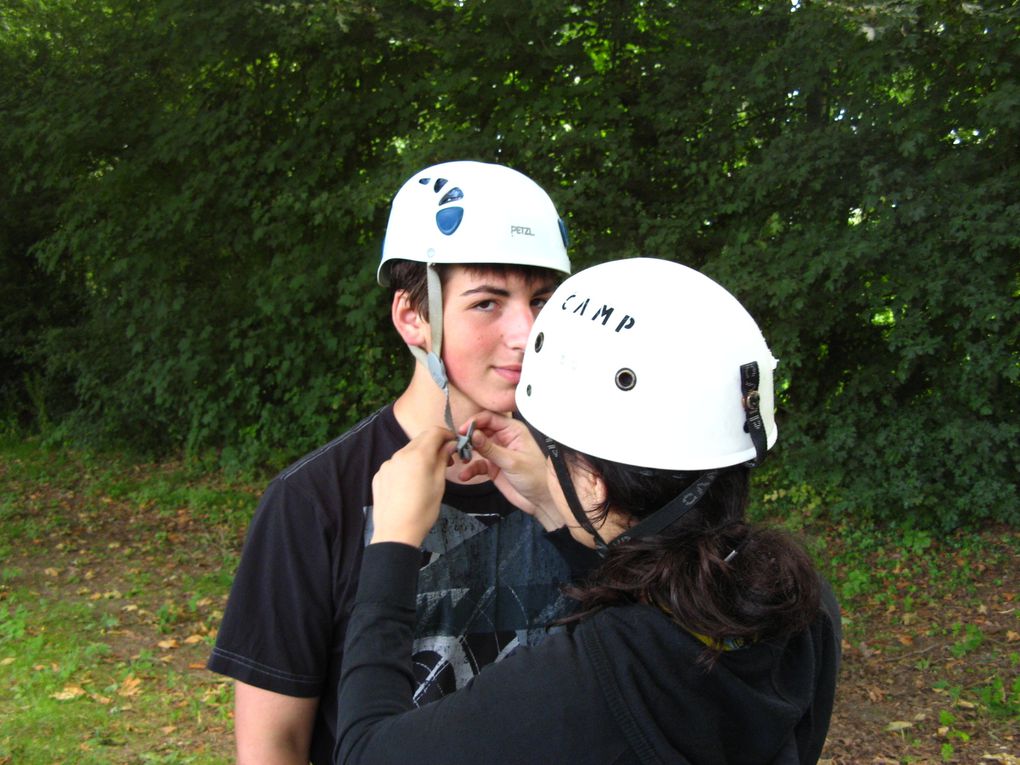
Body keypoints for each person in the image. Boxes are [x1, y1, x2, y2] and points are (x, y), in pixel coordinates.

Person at [335, 257, 842, 764]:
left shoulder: (587, 679)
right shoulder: (802, 602)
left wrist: (393, 542)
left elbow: (365, 753)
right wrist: (558, 517)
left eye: (551, 451)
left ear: (595, 484)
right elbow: (656, 601)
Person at [208, 161, 584, 764]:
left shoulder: (583, 474)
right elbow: (273, 745)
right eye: (488, 302)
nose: (527, 332)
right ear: (413, 316)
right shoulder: (313, 501)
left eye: (542, 300)